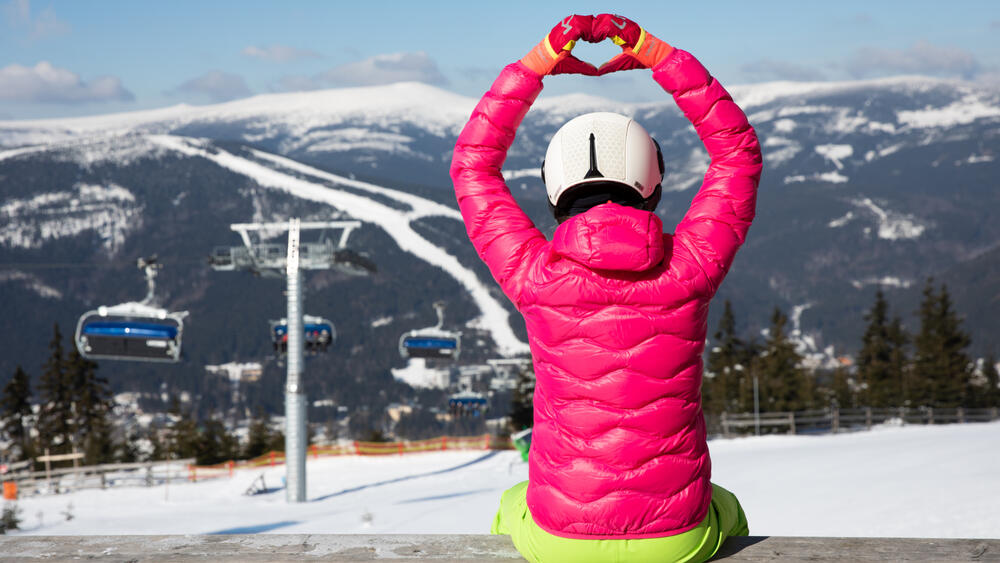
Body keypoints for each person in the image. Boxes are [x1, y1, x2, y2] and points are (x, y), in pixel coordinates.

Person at [450, 14, 762, 563]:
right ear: (653, 182)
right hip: (677, 540)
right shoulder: (690, 267)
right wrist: (656, 54)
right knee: (729, 509)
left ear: (552, 189)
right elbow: (736, 153)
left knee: (510, 504)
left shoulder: (534, 273)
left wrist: (535, 65)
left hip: (560, 540)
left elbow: (473, 167)